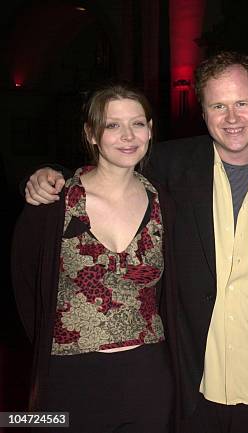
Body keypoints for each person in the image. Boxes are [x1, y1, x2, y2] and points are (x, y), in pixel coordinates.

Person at [23, 52, 248, 433]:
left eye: (241, 103)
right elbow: (108, 168)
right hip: (190, 387)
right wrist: (49, 174)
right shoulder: (169, 167)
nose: (232, 117)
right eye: (218, 106)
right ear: (202, 113)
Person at [12, 83, 175, 432]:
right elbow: (24, 281)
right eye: (113, 125)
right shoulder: (55, 203)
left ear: (150, 129)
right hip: (70, 378)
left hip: (149, 378)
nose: (128, 136)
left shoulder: (164, 201)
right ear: (91, 133)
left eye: (138, 123)